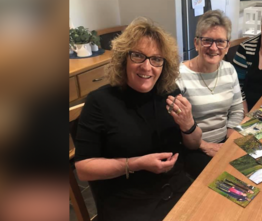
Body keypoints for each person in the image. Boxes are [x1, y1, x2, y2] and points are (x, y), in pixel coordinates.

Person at [74, 17, 202, 221]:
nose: (147, 67)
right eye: (138, 56)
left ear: (164, 64)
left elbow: (194, 144)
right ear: (124, 58)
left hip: (177, 191)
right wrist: (136, 164)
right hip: (130, 203)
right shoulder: (100, 101)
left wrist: (188, 125)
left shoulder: (168, 92)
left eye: (156, 59)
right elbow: (83, 169)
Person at [176, 10, 244, 178]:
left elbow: (236, 109)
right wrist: (204, 145)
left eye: (220, 42)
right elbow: (175, 125)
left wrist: (228, 142)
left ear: (227, 46)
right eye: (207, 41)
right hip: (194, 149)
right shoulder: (179, 76)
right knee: (222, 180)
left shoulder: (229, 70)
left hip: (224, 141)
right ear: (196, 43)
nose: (214, 48)